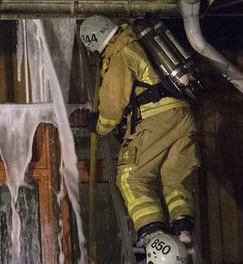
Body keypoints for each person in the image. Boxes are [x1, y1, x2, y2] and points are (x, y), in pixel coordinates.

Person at [78, 15, 200, 247]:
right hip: (183, 114)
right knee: (173, 175)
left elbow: (113, 104)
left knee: (131, 176)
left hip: (157, 121)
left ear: (93, 43)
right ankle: (182, 226)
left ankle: (152, 231)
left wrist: (99, 125)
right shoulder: (139, 41)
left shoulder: (119, 52)